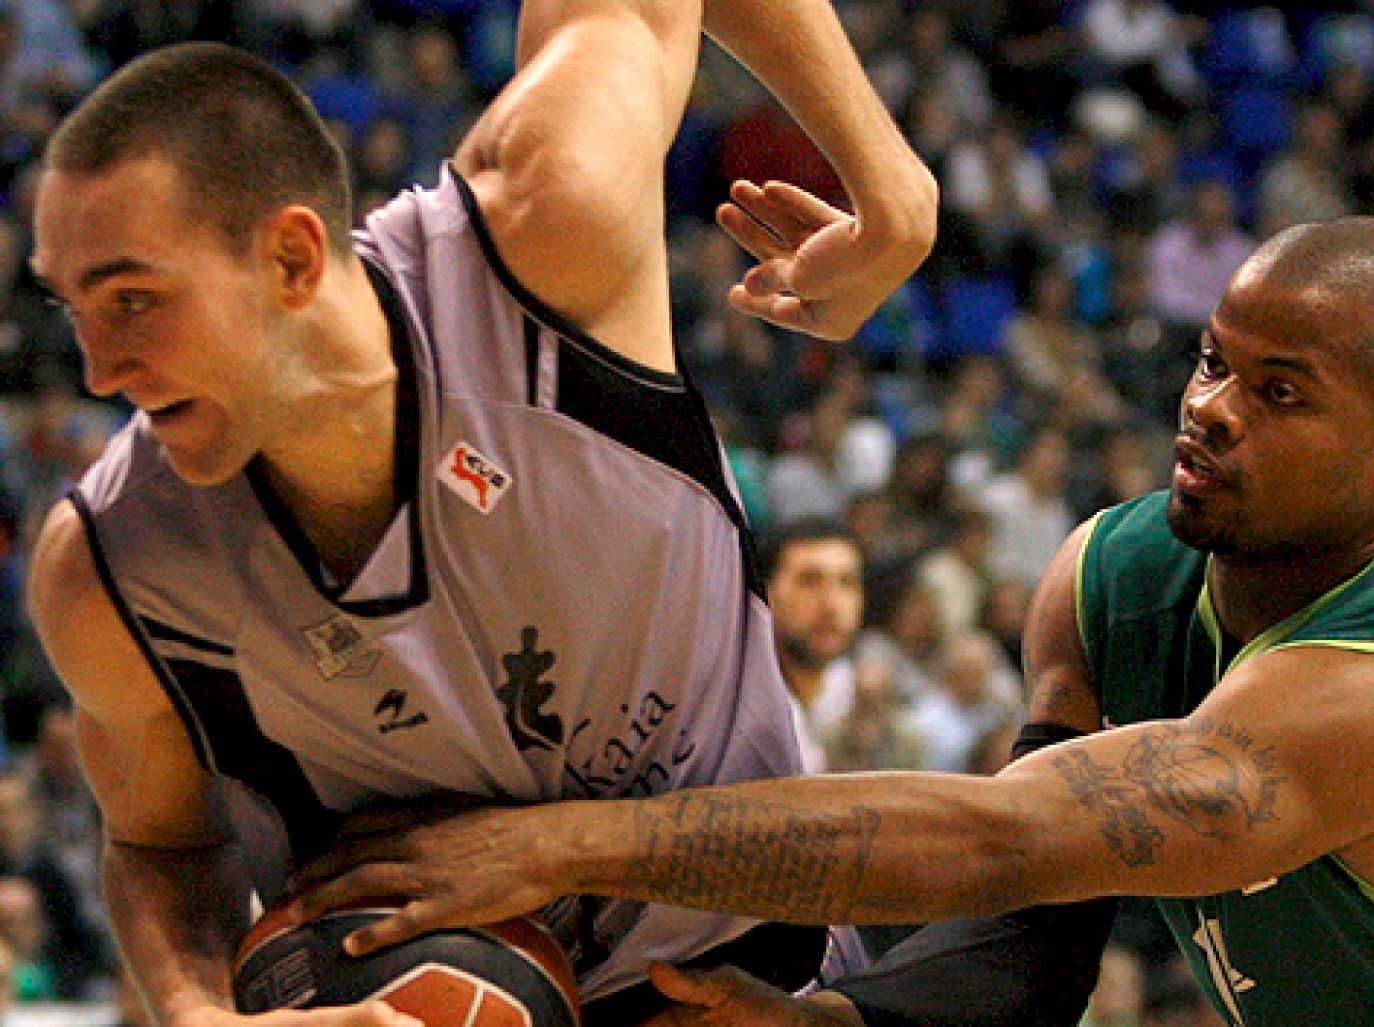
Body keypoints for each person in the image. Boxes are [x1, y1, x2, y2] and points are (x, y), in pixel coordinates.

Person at [290, 217, 1374, 1026]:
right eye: (1213, 360)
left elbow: (1002, 835)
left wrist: (558, 846)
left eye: (1281, 391)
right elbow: (1032, 921)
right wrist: (851, 1019)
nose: (1209, 407)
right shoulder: (1115, 575)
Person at [26, 4, 937, 1024]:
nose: (98, 369)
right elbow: (159, 844)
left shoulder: (545, 234)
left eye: (133, 300)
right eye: (71, 306)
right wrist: (200, 1017)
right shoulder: (113, 564)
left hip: (757, 984)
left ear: (290, 260)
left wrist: (890, 182)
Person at [762, 519, 866, 774]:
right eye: (809, 582)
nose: (831, 605)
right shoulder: (730, 712)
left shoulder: (863, 697)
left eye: (847, 583)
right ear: (766, 594)